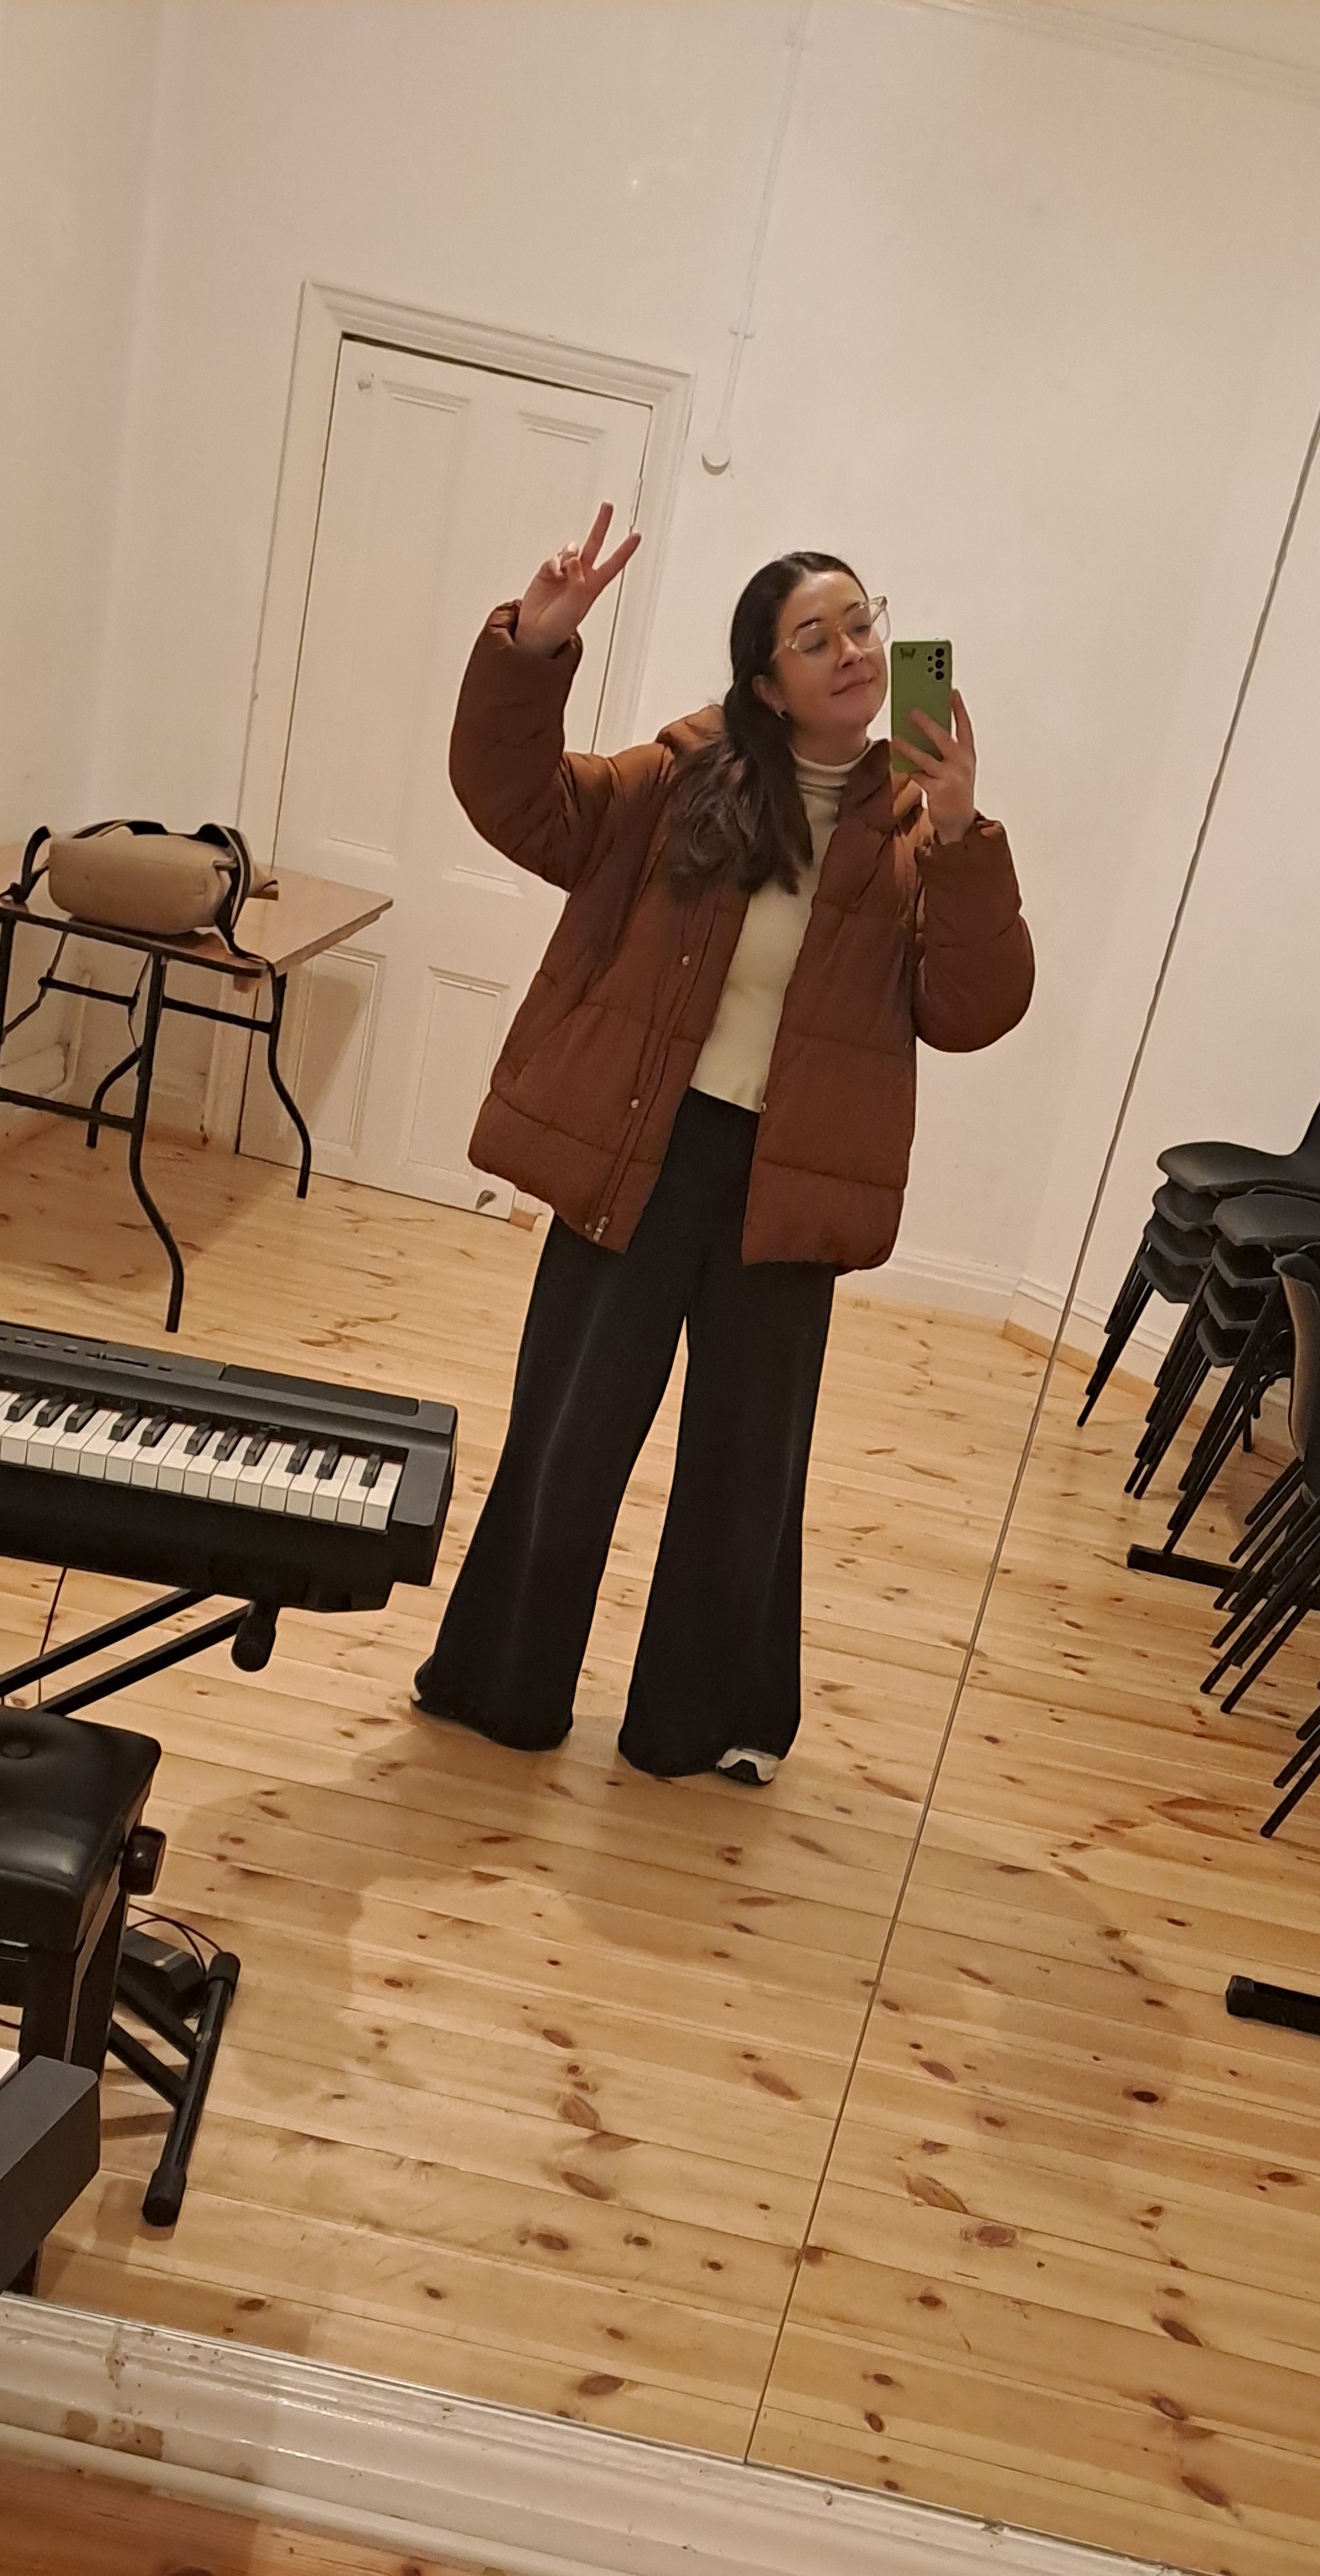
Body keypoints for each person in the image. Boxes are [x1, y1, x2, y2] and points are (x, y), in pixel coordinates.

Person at [412, 511, 1034, 1783]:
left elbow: (975, 1010)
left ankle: (702, 1724)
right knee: (568, 1435)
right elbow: (519, 801)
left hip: (790, 1178)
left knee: (748, 1471)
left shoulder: (918, 831)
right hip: (643, 1147)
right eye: (816, 637)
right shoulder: (680, 778)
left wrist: (967, 831)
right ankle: (501, 1684)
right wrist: (530, 650)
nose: (853, 651)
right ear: (766, 681)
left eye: (861, 624)